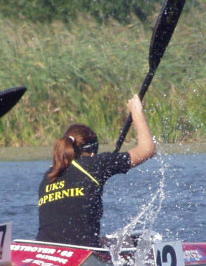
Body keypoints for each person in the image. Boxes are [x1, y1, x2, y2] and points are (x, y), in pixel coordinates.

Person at [36, 94, 156, 247]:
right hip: (80, 253)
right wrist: (137, 111)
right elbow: (148, 149)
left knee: (111, 241)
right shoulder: (96, 164)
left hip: (43, 251)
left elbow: (64, 226)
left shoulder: (49, 175)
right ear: (93, 152)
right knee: (141, 242)